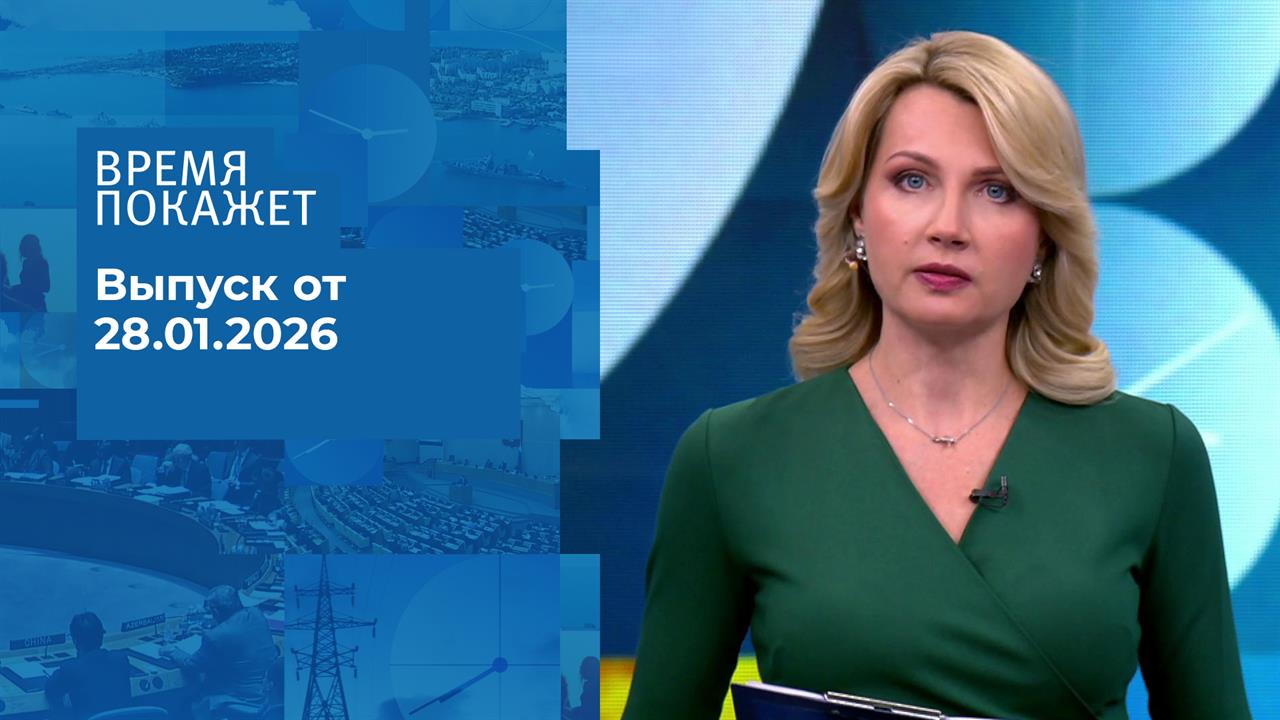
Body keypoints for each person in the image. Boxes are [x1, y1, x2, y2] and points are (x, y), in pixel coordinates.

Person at [621, 31, 1250, 720]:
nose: (949, 226)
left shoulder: (1153, 454)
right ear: (858, 214)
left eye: (997, 190)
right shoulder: (732, 457)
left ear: (1045, 235)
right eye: (912, 180)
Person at [162, 585, 278, 720]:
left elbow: (192, 664)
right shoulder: (256, 614)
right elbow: (239, 634)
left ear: (215, 611)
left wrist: (172, 651)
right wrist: (208, 631)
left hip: (239, 699)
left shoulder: (216, 636)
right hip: (266, 696)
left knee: (182, 705)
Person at [44, 612, 132, 720]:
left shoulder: (70, 668)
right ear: (101, 636)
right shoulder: (121, 659)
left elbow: (50, 690)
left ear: (75, 641)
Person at [9, 233, 49, 312]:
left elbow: (46, 287)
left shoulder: (42, 263)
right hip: (25, 303)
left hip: (36, 305)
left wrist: (18, 288)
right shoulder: (26, 263)